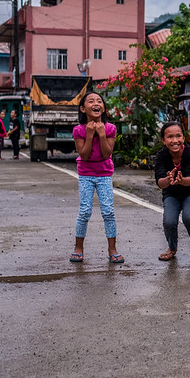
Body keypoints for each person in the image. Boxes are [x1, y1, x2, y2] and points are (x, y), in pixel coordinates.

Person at [69, 91, 123, 264]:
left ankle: (112, 249)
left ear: (104, 108)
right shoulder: (78, 130)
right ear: (82, 108)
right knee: (85, 211)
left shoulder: (110, 128)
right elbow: (84, 155)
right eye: (91, 101)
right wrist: (90, 134)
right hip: (86, 174)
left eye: (99, 101)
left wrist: (101, 133)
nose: (96, 103)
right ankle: (78, 248)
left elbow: (107, 153)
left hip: (104, 174)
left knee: (108, 211)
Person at [154, 120, 190, 263]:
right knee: (169, 221)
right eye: (170, 137)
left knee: (189, 217)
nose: (174, 140)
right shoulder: (161, 156)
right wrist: (168, 179)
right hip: (171, 194)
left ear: (184, 138)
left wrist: (181, 180)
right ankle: (172, 248)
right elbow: (159, 182)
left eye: (178, 136)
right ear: (163, 140)